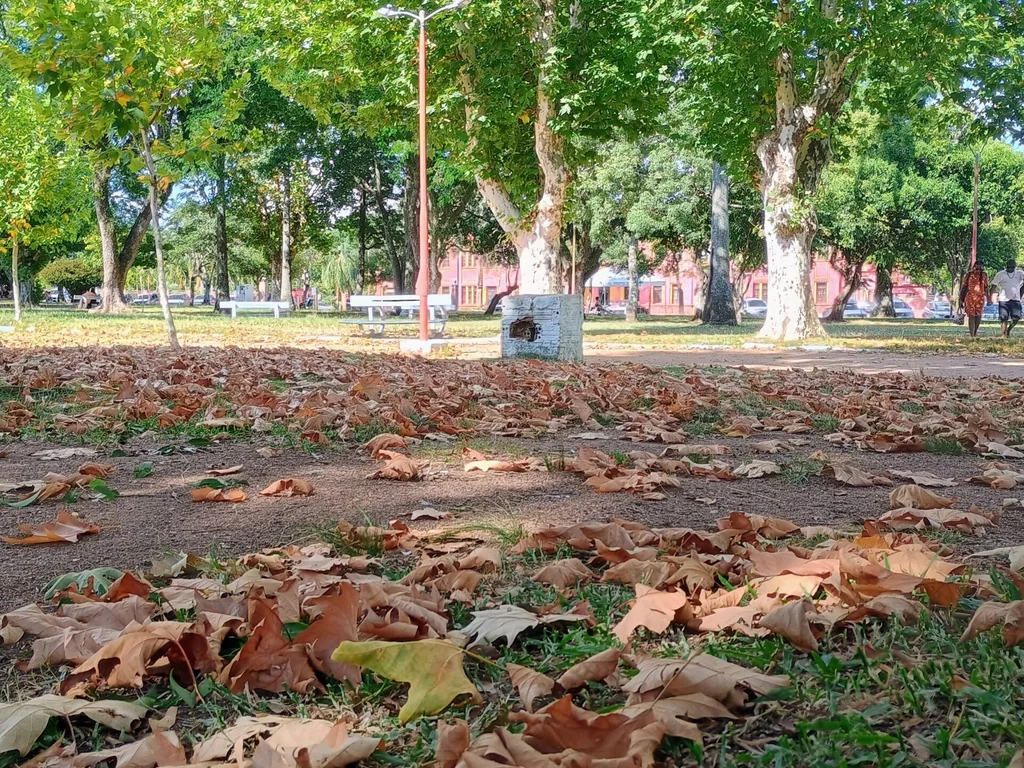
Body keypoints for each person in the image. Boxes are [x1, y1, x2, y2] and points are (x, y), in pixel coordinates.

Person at [993, 258, 1024, 338]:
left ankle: (1008, 330)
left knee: (1016, 317)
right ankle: (1003, 335)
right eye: (1008, 267)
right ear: (1006, 266)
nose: (1010, 269)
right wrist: (992, 296)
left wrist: (1021, 292)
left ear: (1015, 267)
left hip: (1015, 299)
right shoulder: (1000, 274)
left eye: (1012, 267)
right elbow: (994, 285)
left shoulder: (1020, 273)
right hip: (1003, 300)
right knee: (1004, 318)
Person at [960, 261, 989, 338]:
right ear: (975, 265)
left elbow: (986, 287)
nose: (979, 267)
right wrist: (961, 299)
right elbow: (964, 287)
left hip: (980, 298)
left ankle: (975, 332)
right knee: (971, 316)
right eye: (977, 265)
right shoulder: (969, 274)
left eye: (980, 265)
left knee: (978, 316)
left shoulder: (984, 275)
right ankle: (972, 334)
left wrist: (988, 298)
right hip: (970, 297)